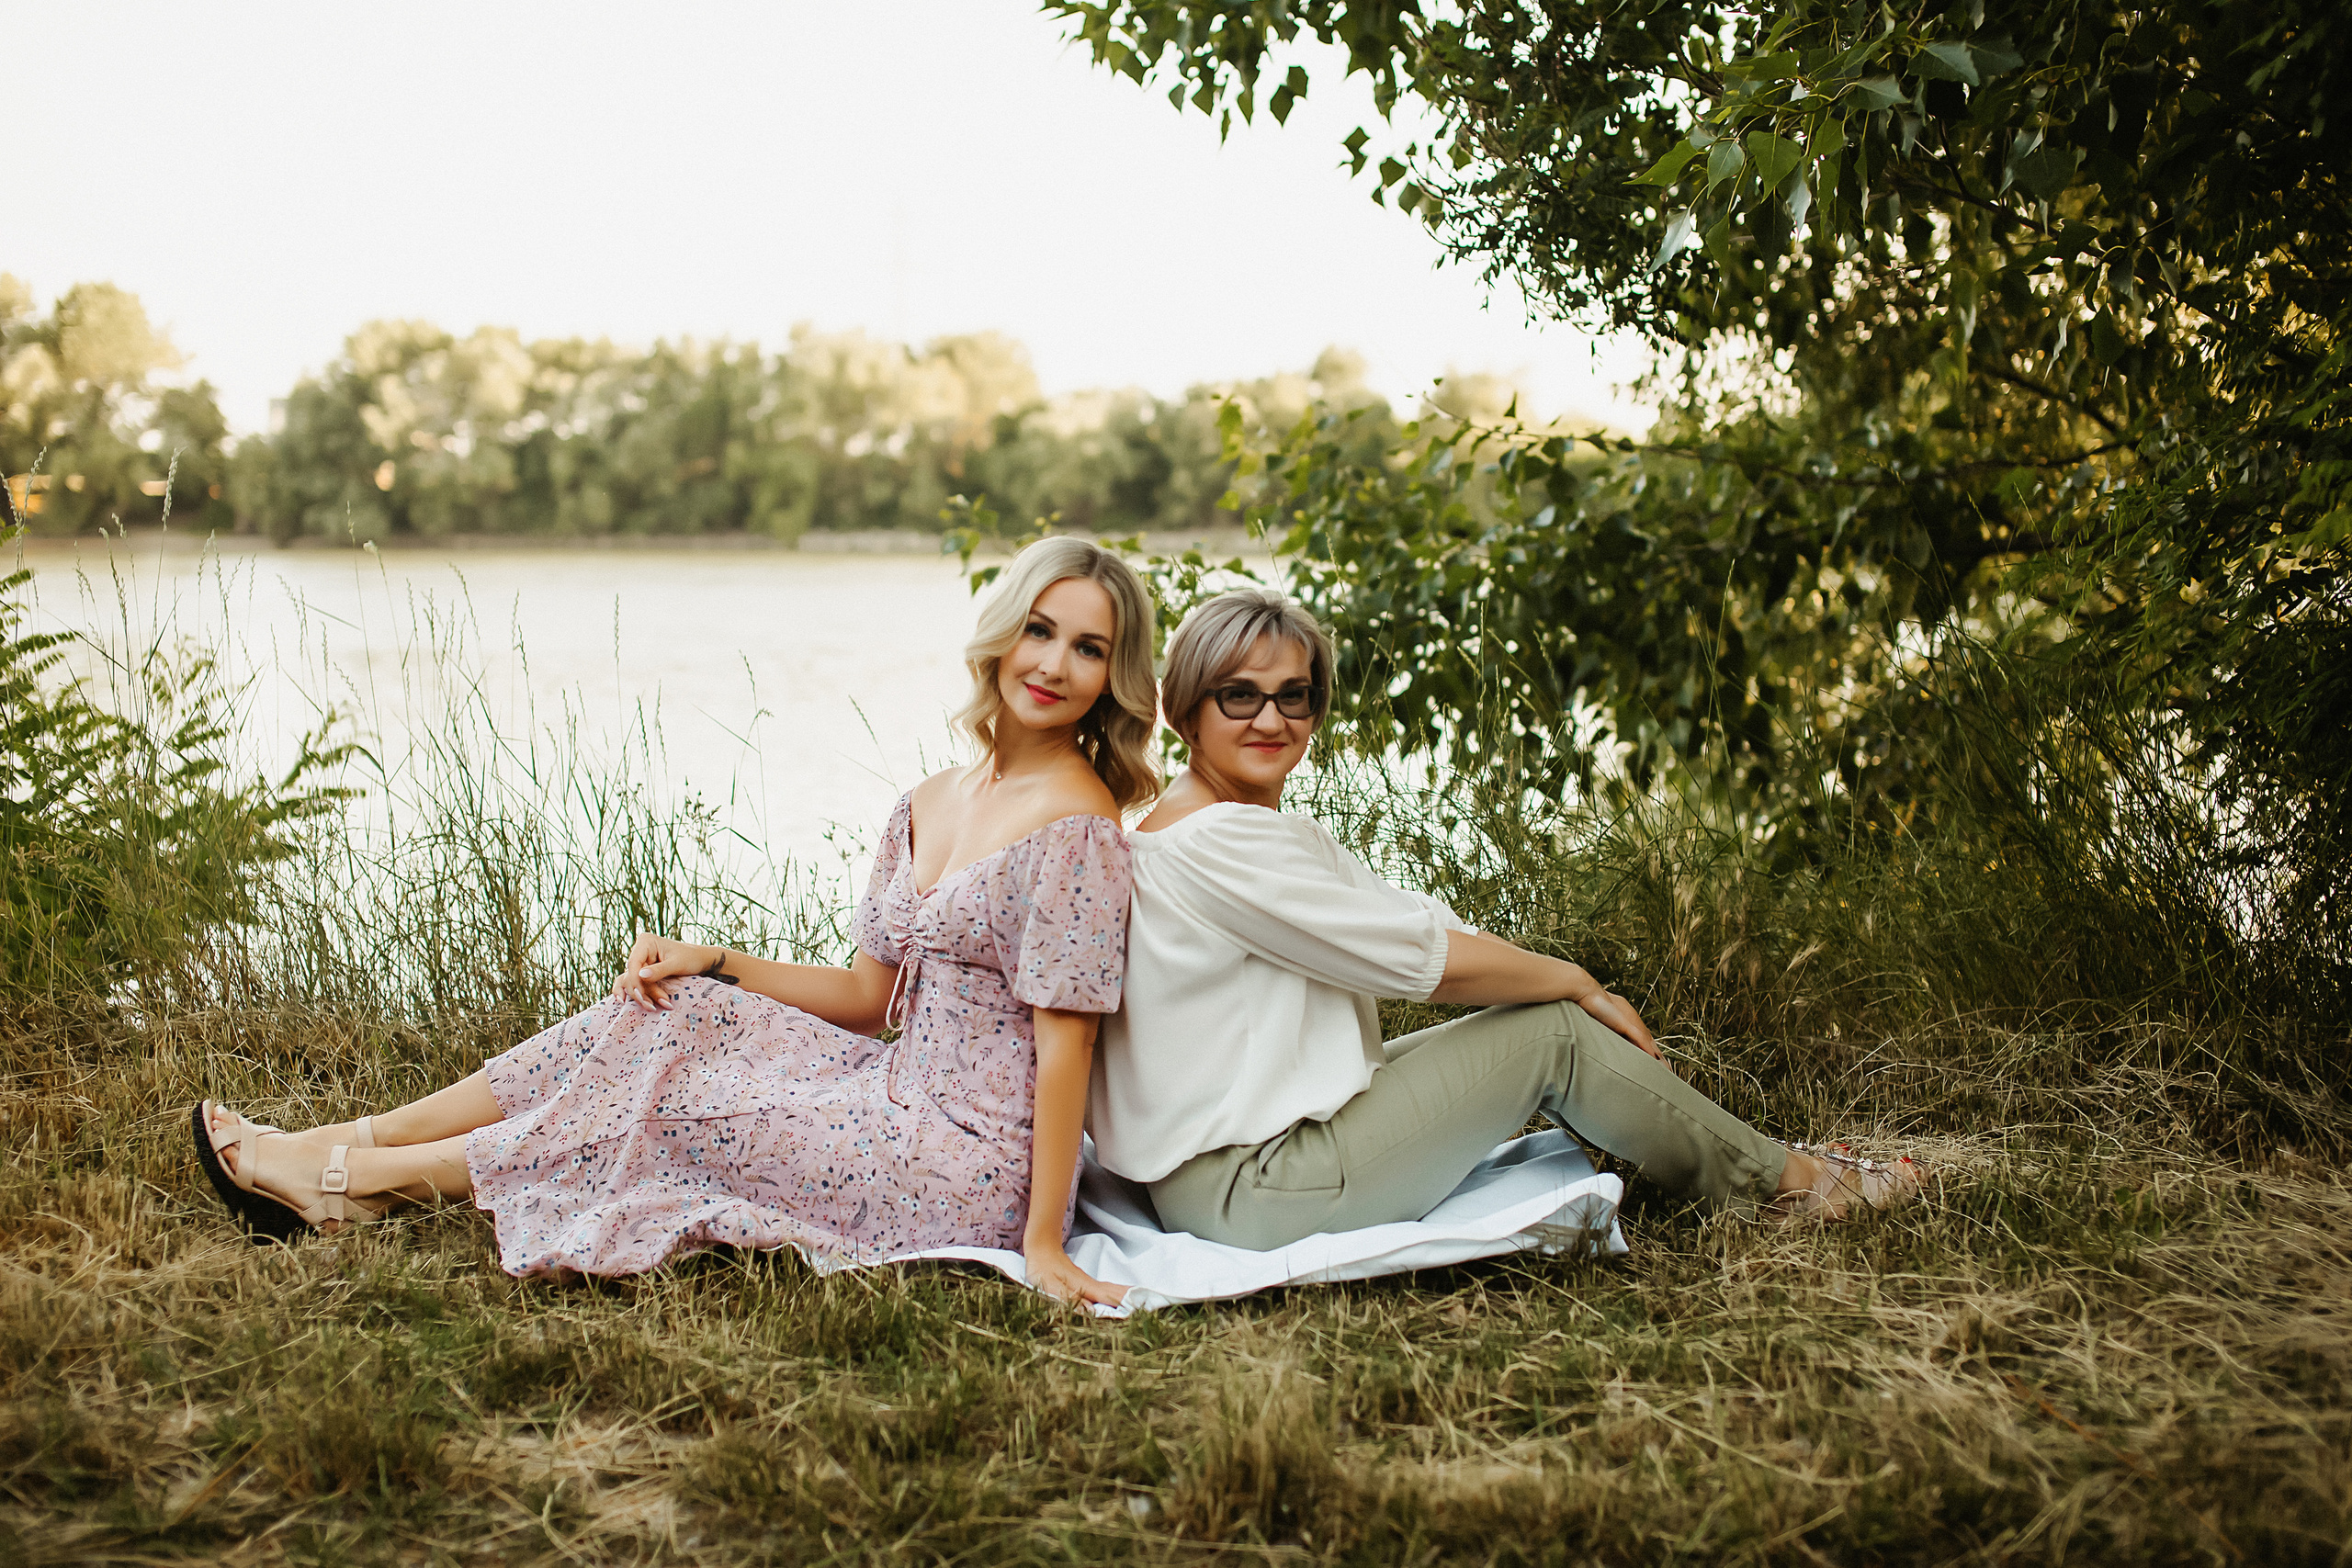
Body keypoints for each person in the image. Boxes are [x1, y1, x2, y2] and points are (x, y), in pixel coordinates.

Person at [194, 537, 1157, 1305]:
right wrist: (716, 960)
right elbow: (869, 999)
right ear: (1002, 633)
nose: (1054, 664)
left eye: (1088, 648)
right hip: (887, 1083)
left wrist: (1039, 1240)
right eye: (1040, 630)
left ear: (1113, 678)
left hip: (963, 1160)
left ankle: (350, 1185)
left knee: (673, 1104)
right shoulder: (931, 799)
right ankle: (358, 1139)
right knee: (676, 1010)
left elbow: (1065, 1041)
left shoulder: (1079, 827)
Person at [1089, 588, 1921, 1251]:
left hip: (1236, 1167)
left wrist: (1528, 981)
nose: (1270, 720)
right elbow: (1421, 960)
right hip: (1253, 1186)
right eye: (1239, 696)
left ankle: (1767, 1171)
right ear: (1183, 710)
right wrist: (1578, 981)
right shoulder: (1219, 839)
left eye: (1293, 696)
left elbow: (1405, 916)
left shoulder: (1216, 824)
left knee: (1533, 1018)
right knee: (1550, 1033)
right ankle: (1797, 1187)